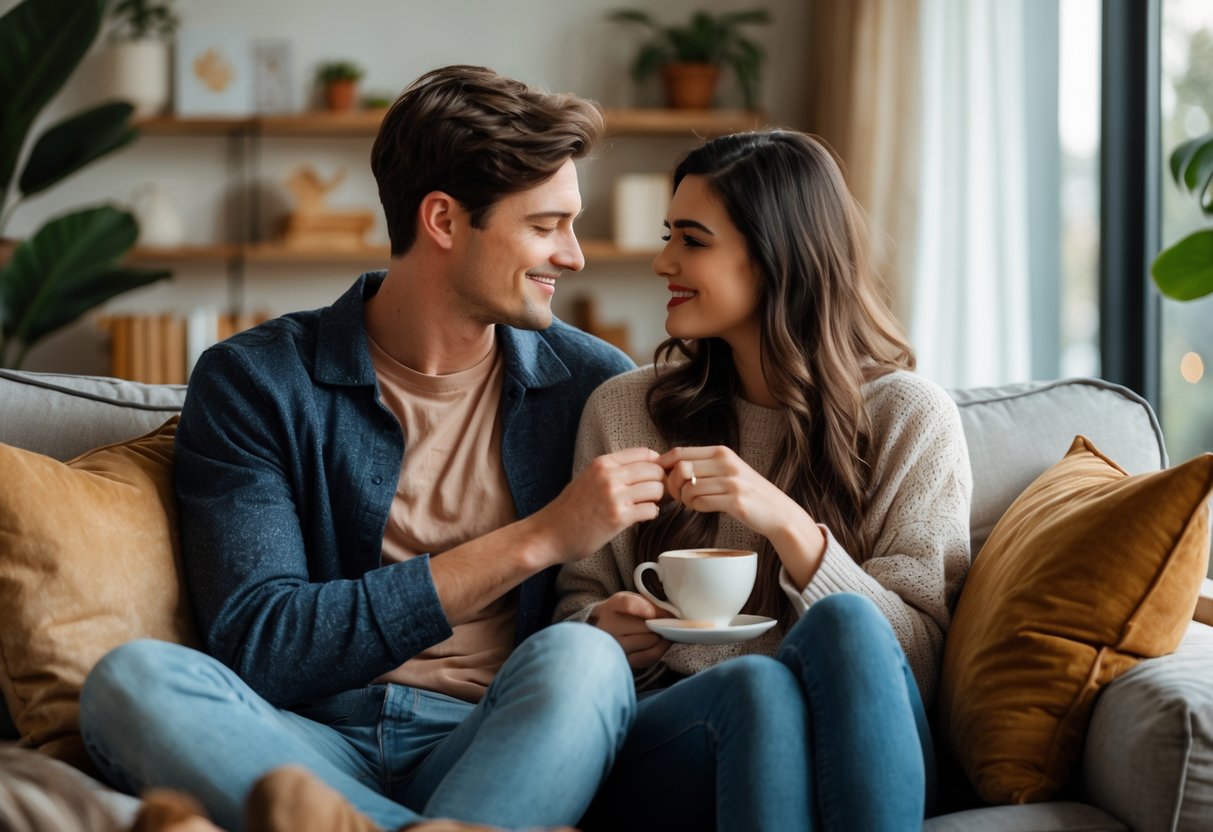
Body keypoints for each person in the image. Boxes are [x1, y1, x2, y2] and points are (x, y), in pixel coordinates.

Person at [79, 65, 670, 832]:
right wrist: (538, 539)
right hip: (304, 740)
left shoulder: (592, 383)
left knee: (583, 661)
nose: (573, 255)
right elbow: (265, 642)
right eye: (544, 225)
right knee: (130, 681)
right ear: (443, 220)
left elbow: (608, 623)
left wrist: (608, 627)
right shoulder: (258, 381)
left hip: (490, 739)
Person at [555, 129, 974, 831]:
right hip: (684, 730)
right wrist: (603, 628)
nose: (662, 261)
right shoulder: (624, 410)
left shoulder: (908, 416)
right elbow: (573, 606)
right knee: (752, 686)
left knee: (847, 620)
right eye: (668, 235)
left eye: (692, 239)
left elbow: (917, 662)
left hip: (865, 740)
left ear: (779, 257)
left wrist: (786, 524)